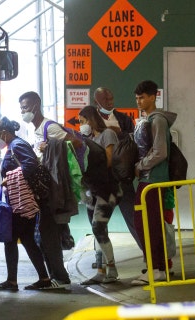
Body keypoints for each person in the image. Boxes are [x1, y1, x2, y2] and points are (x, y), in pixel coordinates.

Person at [0, 117, 52, 291]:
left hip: (22, 202)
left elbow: (30, 165)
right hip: (20, 200)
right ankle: (43, 278)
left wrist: (8, 178)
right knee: (27, 239)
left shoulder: (17, 145)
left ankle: (12, 281)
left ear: (4, 132)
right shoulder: (15, 145)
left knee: (11, 239)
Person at [19, 91, 73, 289]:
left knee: (48, 233)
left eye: (25, 107)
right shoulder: (35, 130)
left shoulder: (50, 127)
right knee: (44, 233)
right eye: (21, 108)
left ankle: (60, 278)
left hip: (52, 190)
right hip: (43, 190)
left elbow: (74, 143)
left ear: (36, 105)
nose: (23, 111)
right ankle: (56, 276)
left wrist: (49, 145)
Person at [131, 80, 177, 285]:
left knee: (149, 225)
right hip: (147, 179)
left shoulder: (157, 120)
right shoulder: (148, 120)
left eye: (142, 97)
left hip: (153, 179)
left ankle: (156, 268)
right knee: (145, 225)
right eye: (137, 98)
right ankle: (156, 267)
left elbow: (160, 152)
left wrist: (141, 165)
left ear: (153, 97)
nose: (139, 101)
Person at [94, 87, 142, 253]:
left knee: (134, 218)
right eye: (106, 100)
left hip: (123, 178)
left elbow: (134, 141)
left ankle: (149, 258)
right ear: (96, 102)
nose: (110, 102)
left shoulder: (123, 118)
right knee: (99, 223)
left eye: (111, 99)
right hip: (102, 180)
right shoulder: (91, 121)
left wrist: (119, 133)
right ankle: (101, 261)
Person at [77, 105, 120, 285]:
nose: (80, 126)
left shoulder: (107, 134)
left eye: (82, 121)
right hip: (92, 190)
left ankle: (112, 269)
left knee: (98, 228)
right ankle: (101, 271)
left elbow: (109, 161)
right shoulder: (88, 139)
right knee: (98, 231)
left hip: (107, 189)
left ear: (91, 119)